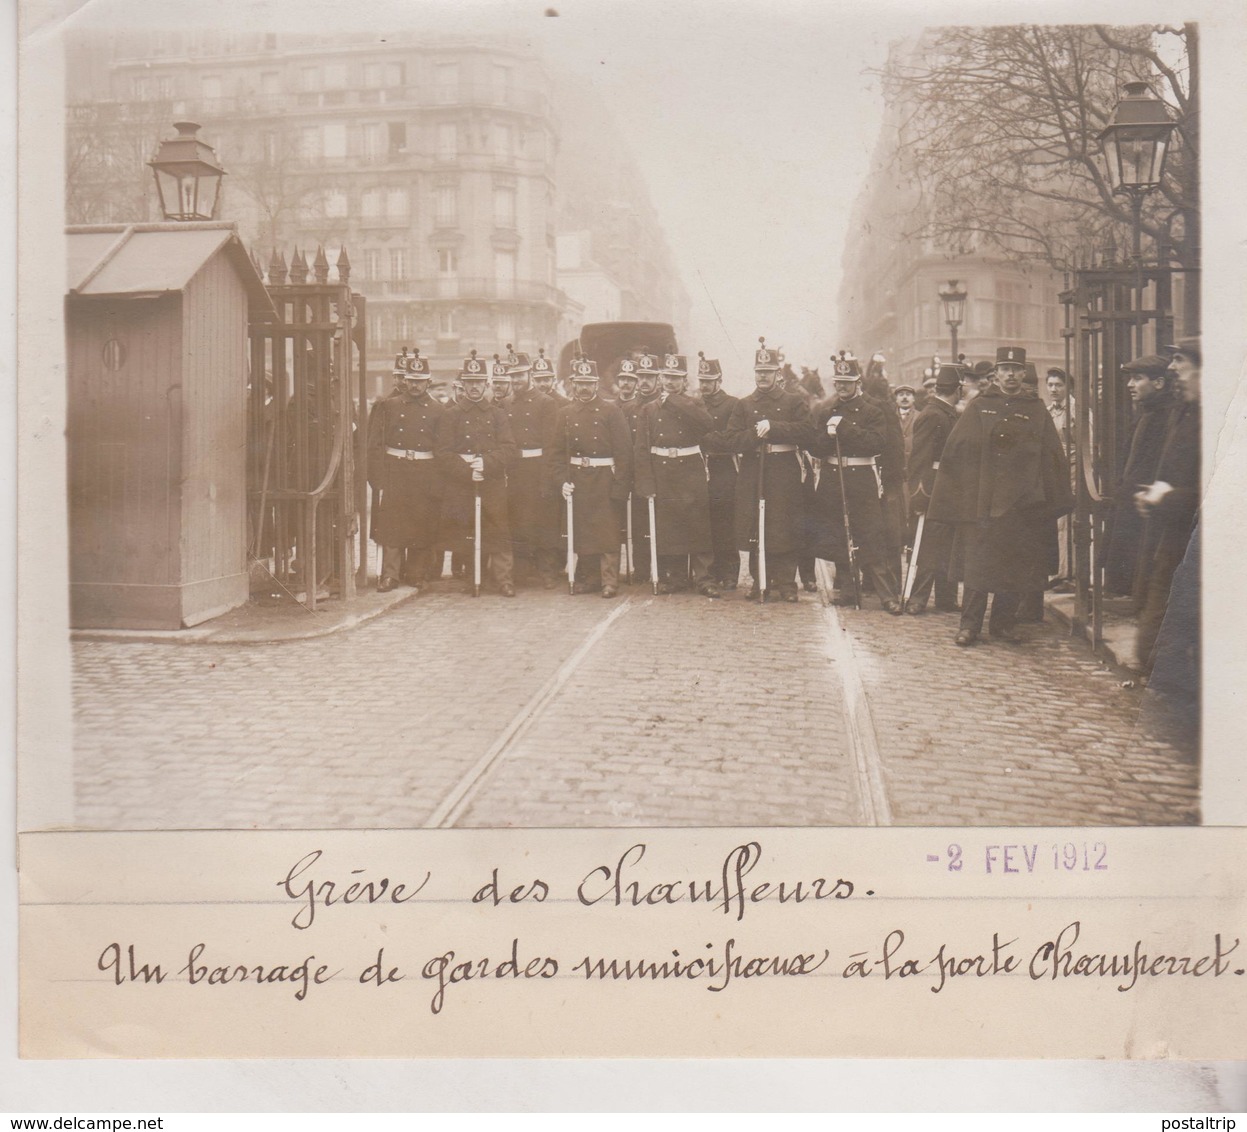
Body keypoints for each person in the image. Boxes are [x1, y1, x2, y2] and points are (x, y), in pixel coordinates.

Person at [927, 345, 1073, 646]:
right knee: (978, 567)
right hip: (984, 502)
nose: (1010, 375)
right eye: (1005, 369)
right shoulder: (981, 406)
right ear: (997, 373)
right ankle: (969, 626)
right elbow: (958, 450)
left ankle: (1003, 624)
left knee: (1014, 567)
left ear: (1023, 373)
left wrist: (1045, 497)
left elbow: (1051, 456)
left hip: (1021, 505)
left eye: (1016, 370)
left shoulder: (1035, 409)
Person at [721, 337, 814, 602]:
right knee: (755, 526)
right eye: (759, 372)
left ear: (777, 374)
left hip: (784, 471)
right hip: (753, 470)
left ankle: (786, 583)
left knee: (784, 525)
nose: (763, 376)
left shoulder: (793, 402)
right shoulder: (744, 404)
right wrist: (754, 435)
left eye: (768, 372)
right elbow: (732, 439)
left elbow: (807, 432)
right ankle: (759, 580)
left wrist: (775, 427)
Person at [809, 353, 903, 613]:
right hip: (832, 479)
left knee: (871, 535)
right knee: (839, 534)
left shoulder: (873, 410)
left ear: (857, 382)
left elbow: (877, 443)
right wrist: (827, 436)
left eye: (847, 382)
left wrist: (846, 428)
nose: (841, 387)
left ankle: (887, 595)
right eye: (838, 381)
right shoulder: (826, 410)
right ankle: (849, 591)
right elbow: (815, 448)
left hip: (861, 479)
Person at [1134, 337, 1200, 677]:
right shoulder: (1184, 411)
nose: (1172, 368)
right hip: (1173, 538)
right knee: (1152, 651)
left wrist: (1166, 497)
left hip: (1198, 548)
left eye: (1180, 361)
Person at [633, 352, 721, 597]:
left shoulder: (694, 403)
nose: (670, 382)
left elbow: (706, 424)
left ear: (684, 381)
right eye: (667, 377)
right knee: (669, 526)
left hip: (690, 468)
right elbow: (641, 447)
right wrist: (646, 481)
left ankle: (704, 577)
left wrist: (673, 401)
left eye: (676, 377)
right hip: (662, 469)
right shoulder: (649, 409)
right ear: (661, 378)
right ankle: (676, 577)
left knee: (698, 524)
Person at [434, 350, 519, 597]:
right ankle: (474, 578)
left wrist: (487, 464)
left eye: (478, 382)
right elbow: (443, 452)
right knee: (468, 532)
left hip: (491, 482)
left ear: (486, 384)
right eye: (469, 382)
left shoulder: (497, 414)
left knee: (499, 530)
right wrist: (466, 471)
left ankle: (504, 580)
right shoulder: (451, 415)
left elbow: (509, 449)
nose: (474, 387)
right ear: (463, 384)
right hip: (462, 484)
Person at [548, 357, 634, 598]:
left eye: (589, 382)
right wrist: (562, 481)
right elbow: (555, 454)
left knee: (606, 531)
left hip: (605, 479)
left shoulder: (611, 411)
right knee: (583, 531)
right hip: (578, 479)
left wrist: (620, 488)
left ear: (596, 384)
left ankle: (609, 580)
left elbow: (624, 452)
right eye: (579, 383)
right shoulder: (565, 413)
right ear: (573, 384)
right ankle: (591, 578)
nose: (584, 388)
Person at [366, 348, 444, 593]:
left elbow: (443, 449)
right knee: (392, 525)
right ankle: (390, 575)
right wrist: (377, 478)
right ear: (404, 380)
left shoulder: (439, 411)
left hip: (425, 471)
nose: (415, 386)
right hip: (395, 471)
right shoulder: (387, 406)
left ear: (428, 382)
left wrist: (439, 482)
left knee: (422, 523)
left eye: (420, 381)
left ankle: (416, 573)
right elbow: (374, 444)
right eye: (411, 380)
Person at [1103, 354, 1177, 598]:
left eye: (1137, 378)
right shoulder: (1147, 412)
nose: (1130, 385)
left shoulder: (1165, 416)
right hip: (1132, 497)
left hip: (1145, 500)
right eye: (1130, 379)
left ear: (1159, 383)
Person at [497, 345, 562, 588]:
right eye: (512, 376)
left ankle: (548, 571)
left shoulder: (546, 403)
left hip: (539, 467)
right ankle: (522, 570)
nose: (515, 381)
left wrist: (547, 479)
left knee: (544, 522)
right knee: (518, 521)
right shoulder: (505, 403)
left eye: (519, 376)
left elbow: (551, 443)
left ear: (529, 376)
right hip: (515, 470)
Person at [903, 362, 962, 614]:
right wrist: (919, 495)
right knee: (928, 544)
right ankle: (918, 598)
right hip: (933, 487)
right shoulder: (931, 415)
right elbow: (919, 460)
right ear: (957, 389)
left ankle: (946, 598)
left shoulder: (948, 413)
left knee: (948, 543)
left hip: (949, 487)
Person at [696, 353, 742, 589]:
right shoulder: (693, 403)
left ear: (719, 380)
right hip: (697, 467)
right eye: (701, 380)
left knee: (726, 520)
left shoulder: (732, 404)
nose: (704, 385)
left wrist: (704, 440)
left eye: (709, 380)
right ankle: (709, 572)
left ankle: (730, 571)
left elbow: (732, 439)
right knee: (704, 521)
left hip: (723, 467)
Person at [1045, 367, 1076, 589]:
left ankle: (1070, 574)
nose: (1054, 389)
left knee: (1071, 523)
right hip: (1054, 472)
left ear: (1067, 387)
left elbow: (1088, 446)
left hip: (1074, 471)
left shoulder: (1077, 411)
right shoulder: (1048, 411)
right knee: (1057, 522)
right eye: (1051, 385)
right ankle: (1059, 571)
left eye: (1059, 385)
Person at [895, 384, 917, 473]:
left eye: (908, 394)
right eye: (901, 395)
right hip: (895, 469)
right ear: (896, 400)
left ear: (913, 399)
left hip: (915, 467)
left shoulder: (921, 417)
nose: (904, 397)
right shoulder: (889, 418)